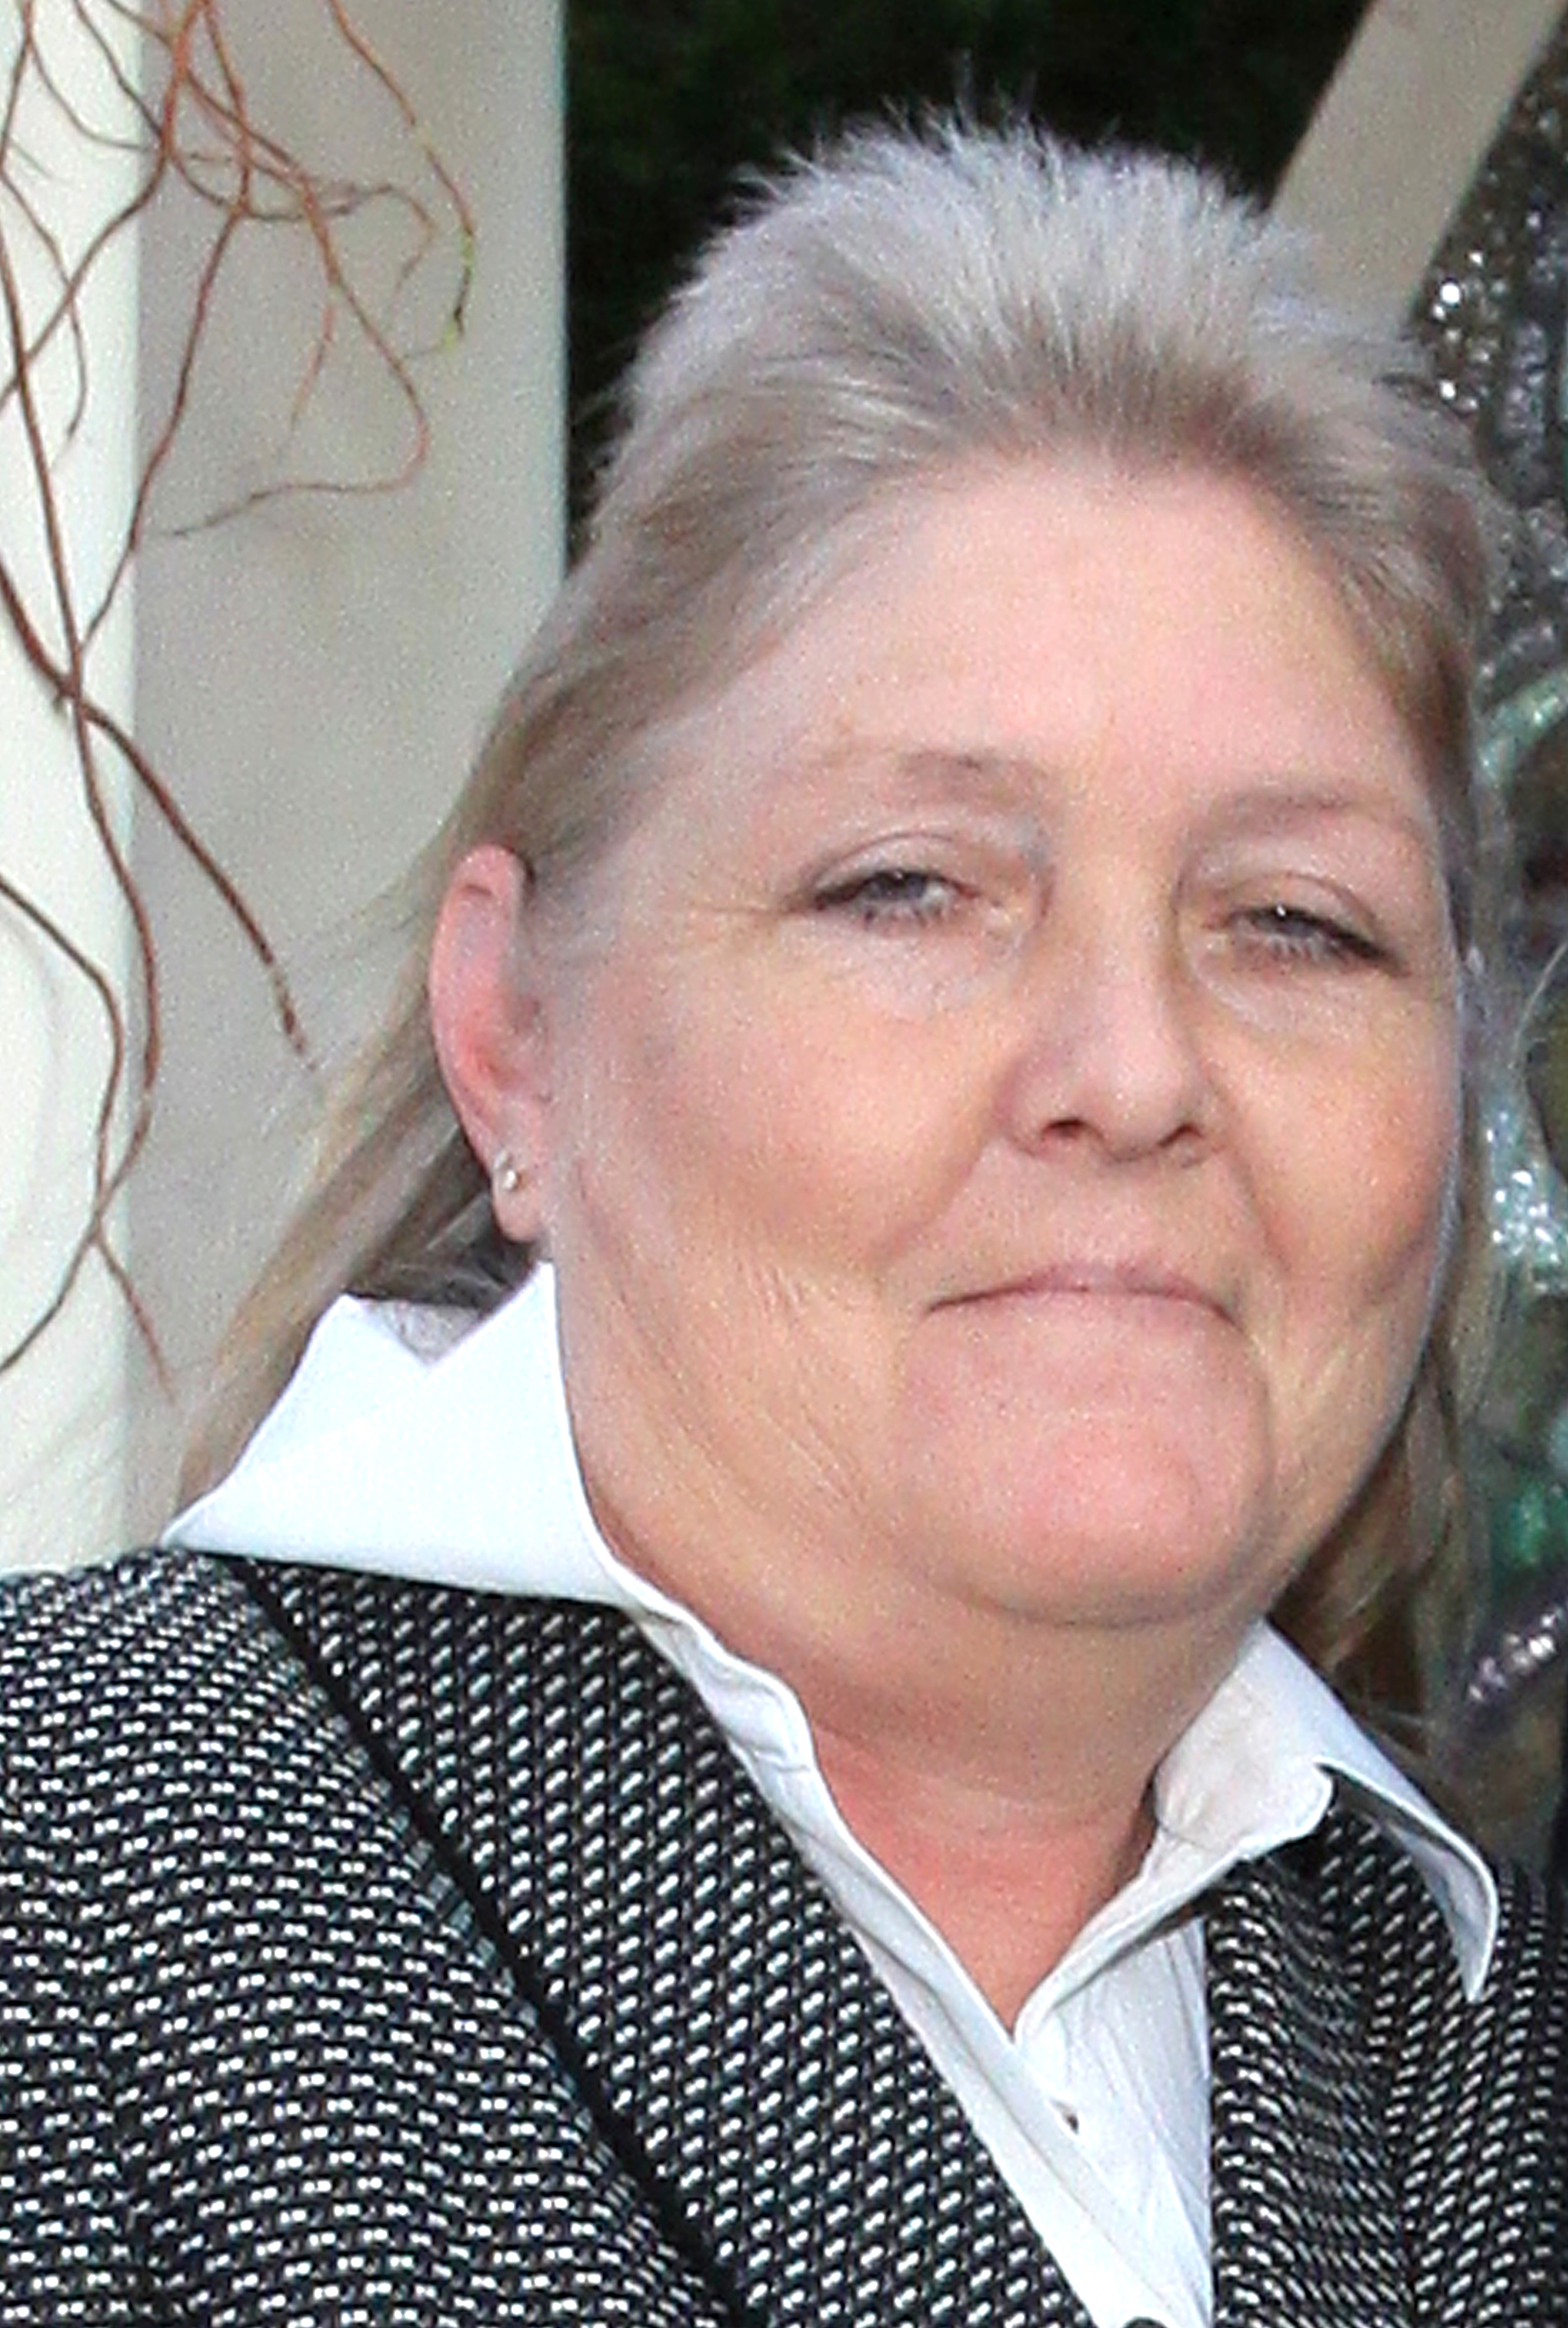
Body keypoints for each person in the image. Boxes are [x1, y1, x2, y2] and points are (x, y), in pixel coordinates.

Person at [2, 118, 1564, 2328]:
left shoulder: (1484, 2073)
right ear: (515, 1035)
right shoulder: (62, 1907)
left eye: (1296, 924)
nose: (1132, 1069)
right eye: (908, 889)